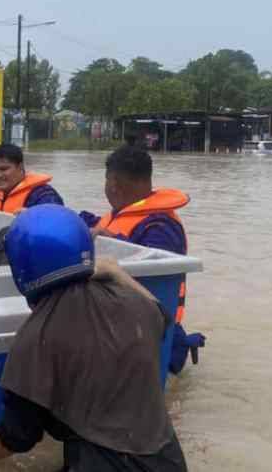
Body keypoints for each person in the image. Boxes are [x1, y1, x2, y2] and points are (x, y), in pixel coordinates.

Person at [0, 204, 188, 471]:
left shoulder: (36, 336)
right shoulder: (135, 304)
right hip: (169, 460)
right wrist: (118, 273)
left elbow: (18, 436)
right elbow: (161, 315)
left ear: (23, 268)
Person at [79, 145, 205, 375]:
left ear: (114, 184)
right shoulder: (122, 214)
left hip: (156, 338)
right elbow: (98, 224)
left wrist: (116, 242)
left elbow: (155, 268)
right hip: (123, 329)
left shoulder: (160, 226)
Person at [0, 143, 64, 215]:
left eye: (4, 169)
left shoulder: (42, 193)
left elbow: (56, 213)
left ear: (20, 167)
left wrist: (34, 215)